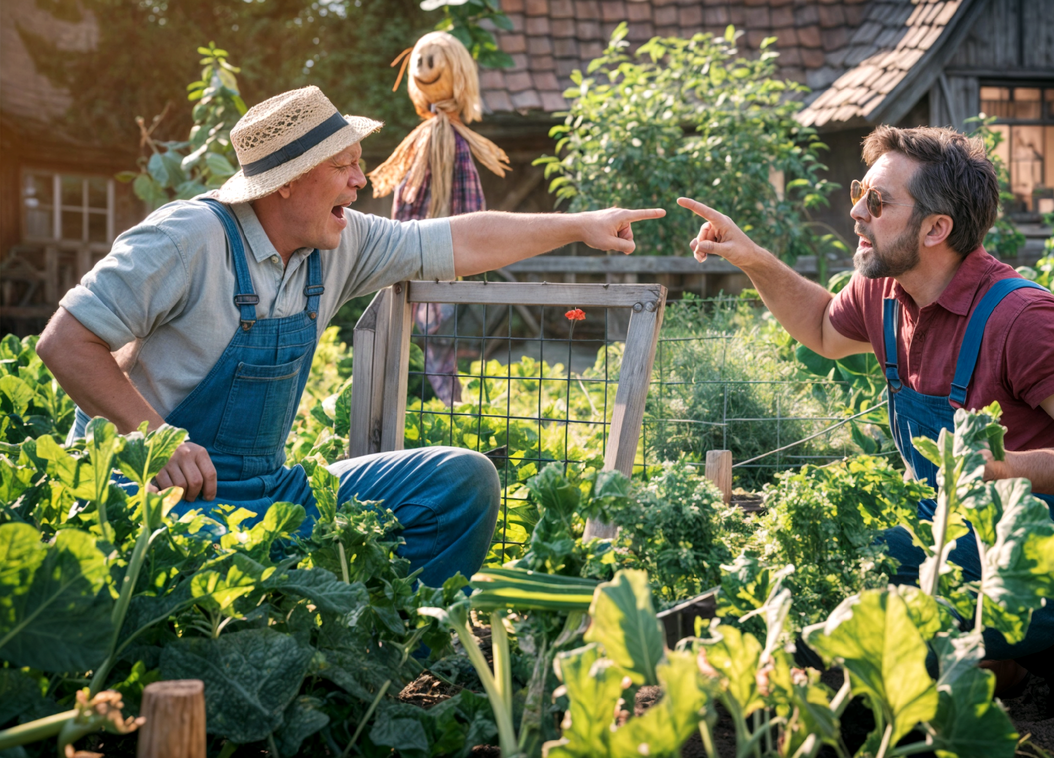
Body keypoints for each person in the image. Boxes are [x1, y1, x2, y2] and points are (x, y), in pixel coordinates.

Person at [36, 86, 664, 588]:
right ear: (285, 180)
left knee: (462, 481)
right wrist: (155, 438)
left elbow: (459, 240)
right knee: (226, 566)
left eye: (356, 166)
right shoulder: (187, 238)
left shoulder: (340, 242)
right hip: (157, 500)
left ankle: (384, 655)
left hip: (268, 493)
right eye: (343, 168)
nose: (360, 183)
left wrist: (579, 224)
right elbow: (65, 341)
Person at [677, 125, 1054, 718]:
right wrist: (752, 259)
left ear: (935, 229)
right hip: (961, 518)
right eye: (860, 191)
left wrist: (999, 467)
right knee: (845, 558)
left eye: (877, 202)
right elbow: (825, 329)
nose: (855, 211)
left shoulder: (1022, 318)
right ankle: (996, 660)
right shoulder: (882, 291)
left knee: (890, 563)